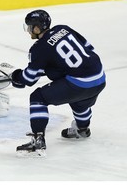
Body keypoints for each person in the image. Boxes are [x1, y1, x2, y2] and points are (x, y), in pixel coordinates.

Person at [10, 9, 106, 156]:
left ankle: (38, 141)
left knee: (38, 98)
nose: (29, 30)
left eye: (30, 27)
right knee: (79, 101)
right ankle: (82, 129)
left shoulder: (39, 48)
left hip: (78, 83)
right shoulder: (63, 29)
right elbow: (88, 48)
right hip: (99, 77)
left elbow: (29, 79)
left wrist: (17, 76)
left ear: (37, 27)